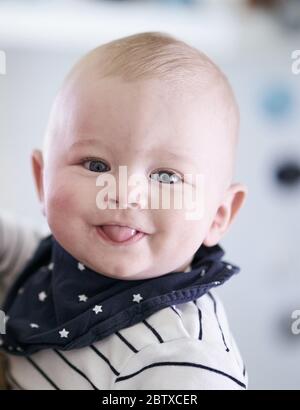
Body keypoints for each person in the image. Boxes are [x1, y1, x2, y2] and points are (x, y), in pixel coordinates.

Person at [0, 31, 248, 390]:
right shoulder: (58, 262)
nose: (123, 194)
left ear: (219, 214)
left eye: (165, 175)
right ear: (43, 181)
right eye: (96, 165)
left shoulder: (183, 360)